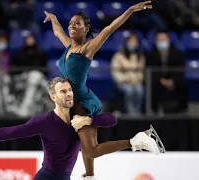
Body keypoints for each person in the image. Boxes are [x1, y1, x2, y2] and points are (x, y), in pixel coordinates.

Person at [43, 0, 165, 178]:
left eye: (77, 23)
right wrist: (53, 18)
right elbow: (57, 31)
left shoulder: (87, 49)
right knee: (87, 146)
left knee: (91, 150)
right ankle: (90, 175)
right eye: (70, 23)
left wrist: (130, 10)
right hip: (73, 101)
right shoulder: (69, 46)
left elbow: (109, 29)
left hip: (82, 103)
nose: (72, 26)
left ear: (86, 28)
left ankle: (138, 140)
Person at [0, 77, 162, 180]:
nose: (68, 94)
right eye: (63, 91)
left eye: (70, 90)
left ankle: (137, 141)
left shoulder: (80, 116)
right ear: (53, 97)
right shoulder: (43, 122)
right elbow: (11, 132)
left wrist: (88, 121)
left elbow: (110, 120)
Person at [146, 29, 188, 114]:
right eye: (159, 40)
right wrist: (162, 81)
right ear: (156, 41)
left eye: (163, 40)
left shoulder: (177, 54)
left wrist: (173, 81)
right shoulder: (151, 54)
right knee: (151, 85)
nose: (162, 42)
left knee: (183, 85)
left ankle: (181, 112)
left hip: (173, 81)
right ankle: (154, 112)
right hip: (158, 81)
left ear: (168, 40)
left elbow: (180, 70)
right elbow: (150, 70)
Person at [111, 34, 145, 116]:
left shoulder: (140, 56)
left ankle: (137, 112)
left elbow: (142, 71)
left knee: (139, 90)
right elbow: (115, 72)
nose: (133, 44)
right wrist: (126, 79)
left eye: (135, 42)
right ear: (126, 43)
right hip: (123, 82)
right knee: (129, 90)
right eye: (131, 42)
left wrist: (138, 79)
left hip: (136, 82)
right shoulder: (118, 56)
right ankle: (131, 114)